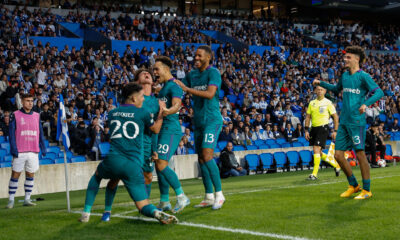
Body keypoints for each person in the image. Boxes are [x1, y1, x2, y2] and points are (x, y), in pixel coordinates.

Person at [79, 83, 177, 224]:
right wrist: (161, 113)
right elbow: (155, 129)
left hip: (113, 160)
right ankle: (155, 212)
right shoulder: (142, 113)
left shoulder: (112, 113)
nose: (143, 99)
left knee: (97, 176)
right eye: (141, 97)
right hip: (133, 165)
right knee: (142, 205)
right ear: (132, 99)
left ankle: (86, 212)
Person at [314, 46, 384, 199]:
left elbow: (379, 92)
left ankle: (367, 190)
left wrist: (366, 103)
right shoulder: (345, 76)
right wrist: (321, 83)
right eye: (345, 57)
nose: (345, 59)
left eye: (348, 57)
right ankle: (354, 185)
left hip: (356, 122)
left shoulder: (363, 76)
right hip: (344, 121)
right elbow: (336, 88)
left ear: (357, 59)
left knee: (360, 154)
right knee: (338, 155)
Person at [101, 69, 165, 221]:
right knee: (115, 178)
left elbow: (154, 130)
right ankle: (107, 211)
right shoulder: (130, 101)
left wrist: (154, 148)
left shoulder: (156, 102)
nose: (147, 74)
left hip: (146, 145)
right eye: (142, 73)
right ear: (136, 82)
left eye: (148, 73)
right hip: (127, 145)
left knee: (148, 176)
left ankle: (145, 206)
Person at [175, 45, 225, 210]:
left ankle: (220, 195)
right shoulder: (192, 75)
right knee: (201, 158)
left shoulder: (213, 72)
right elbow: (178, 88)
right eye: (194, 56)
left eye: (199, 56)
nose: (195, 58)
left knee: (207, 155)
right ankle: (208, 196)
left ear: (208, 57)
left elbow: (210, 94)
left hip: (212, 120)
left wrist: (188, 89)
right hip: (198, 122)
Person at [153, 56, 190, 213]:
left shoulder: (174, 85)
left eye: (157, 69)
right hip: (162, 129)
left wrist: (168, 110)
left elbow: (177, 105)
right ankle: (164, 201)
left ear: (166, 69)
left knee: (161, 163)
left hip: (171, 129)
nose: (154, 72)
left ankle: (182, 196)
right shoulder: (164, 87)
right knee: (159, 163)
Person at [6, 93, 47, 209]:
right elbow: (11, 133)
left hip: (33, 150)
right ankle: (11, 200)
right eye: (27, 101)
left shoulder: (37, 115)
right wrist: (14, 149)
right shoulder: (15, 115)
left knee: (30, 174)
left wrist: (43, 147)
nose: (30, 103)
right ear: (22, 102)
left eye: (31, 101)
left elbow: (40, 133)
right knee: (15, 175)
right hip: (20, 151)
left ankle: (27, 199)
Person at [304, 85, 340, 180]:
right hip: (314, 128)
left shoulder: (328, 102)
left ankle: (314, 174)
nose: (319, 91)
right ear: (315, 91)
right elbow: (308, 117)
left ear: (325, 91)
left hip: (323, 127)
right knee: (318, 152)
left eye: (321, 89)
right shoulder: (312, 103)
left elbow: (335, 117)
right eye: (318, 89)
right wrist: (306, 130)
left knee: (316, 149)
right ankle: (336, 165)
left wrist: (335, 131)